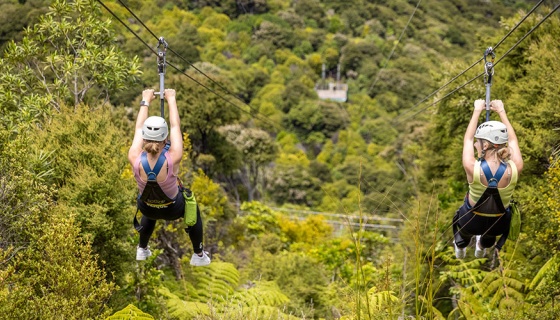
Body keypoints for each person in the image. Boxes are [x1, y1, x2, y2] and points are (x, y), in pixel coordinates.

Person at [128, 88, 210, 266]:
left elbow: (138, 127)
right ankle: (199, 254)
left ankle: (142, 248)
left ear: (144, 137)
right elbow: (175, 126)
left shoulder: (134, 156)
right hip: (173, 209)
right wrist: (171, 99)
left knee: (150, 204)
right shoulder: (173, 157)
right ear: (165, 137)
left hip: (147, 208)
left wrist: (145, 100)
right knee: (192, 205)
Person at [452, 99, 523, 259]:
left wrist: (477, 110)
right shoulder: (515, 168)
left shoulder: (472, 167)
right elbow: (513, 140)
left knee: (464, 231)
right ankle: (482, 246)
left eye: (479, 142)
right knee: (489, 237)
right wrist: (501, 111)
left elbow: (467, 140)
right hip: (499, 224)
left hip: (471, 220)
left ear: (485, 146)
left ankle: (460, 245)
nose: (476, 143)